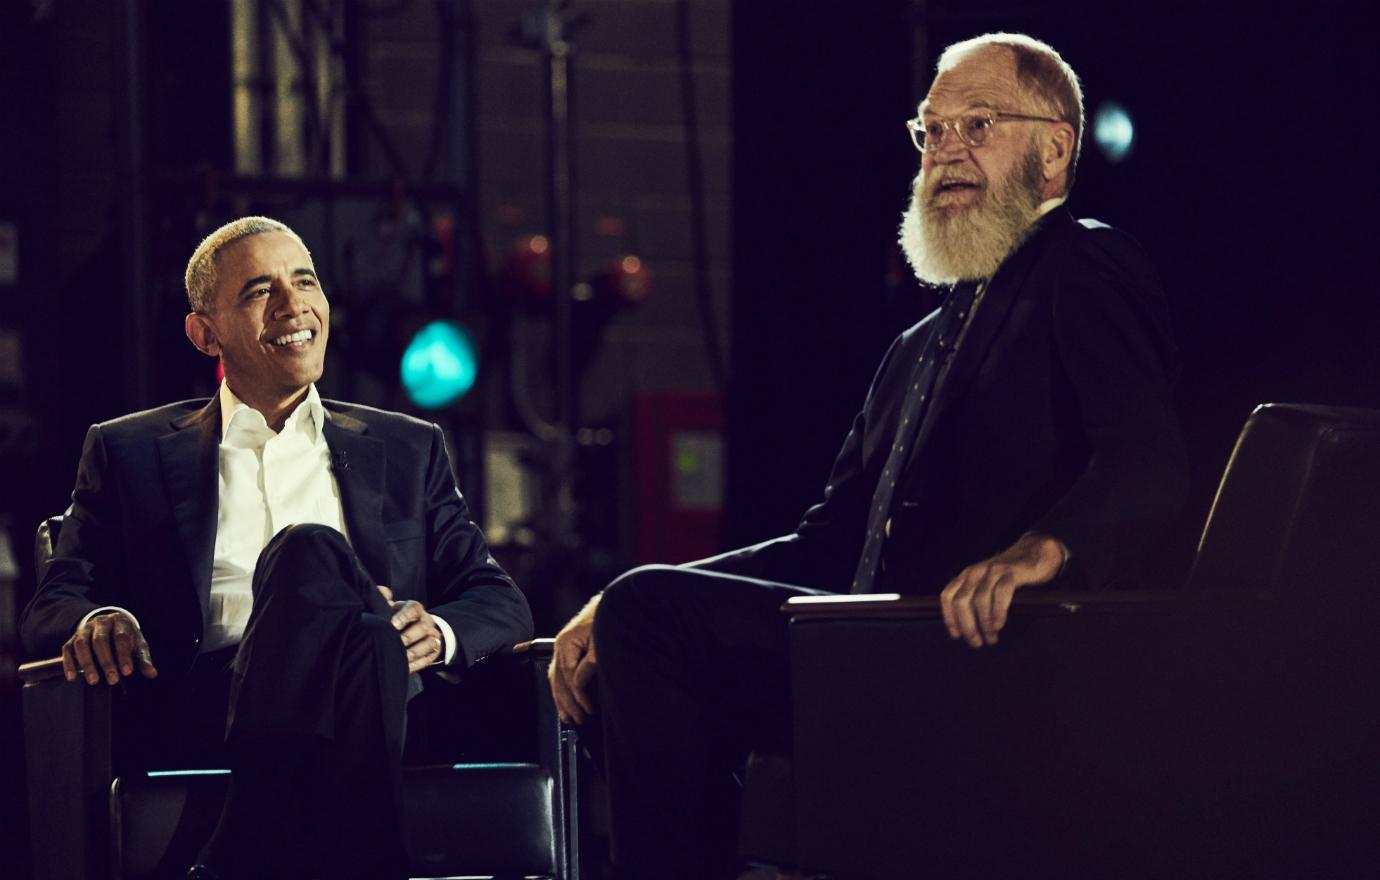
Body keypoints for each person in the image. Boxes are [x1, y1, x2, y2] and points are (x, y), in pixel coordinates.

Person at [547, 32, 1188, 879]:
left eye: (979, 123)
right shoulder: (916, 346)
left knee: (646, 613)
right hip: (866, 643)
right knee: (630, 621)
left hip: (977, 650)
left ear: (1054, 150)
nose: (948, 151)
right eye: (933, 131)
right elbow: (829, 542)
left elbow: (1150, 459)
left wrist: (1048, 546)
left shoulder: (1083, 265)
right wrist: (629, 602)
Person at [20, 216, 533, 880]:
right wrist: (93, 620)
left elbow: (498, 599)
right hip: (207, 699)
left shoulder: (407, 447)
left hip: (386, 705)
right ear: (205, 333)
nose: (296, 306)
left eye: (306, 281)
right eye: (261, 290)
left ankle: (242, 847)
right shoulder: (130, 452)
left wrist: (438, 631)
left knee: (334, 588)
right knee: (321, 572)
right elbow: (53, 599)